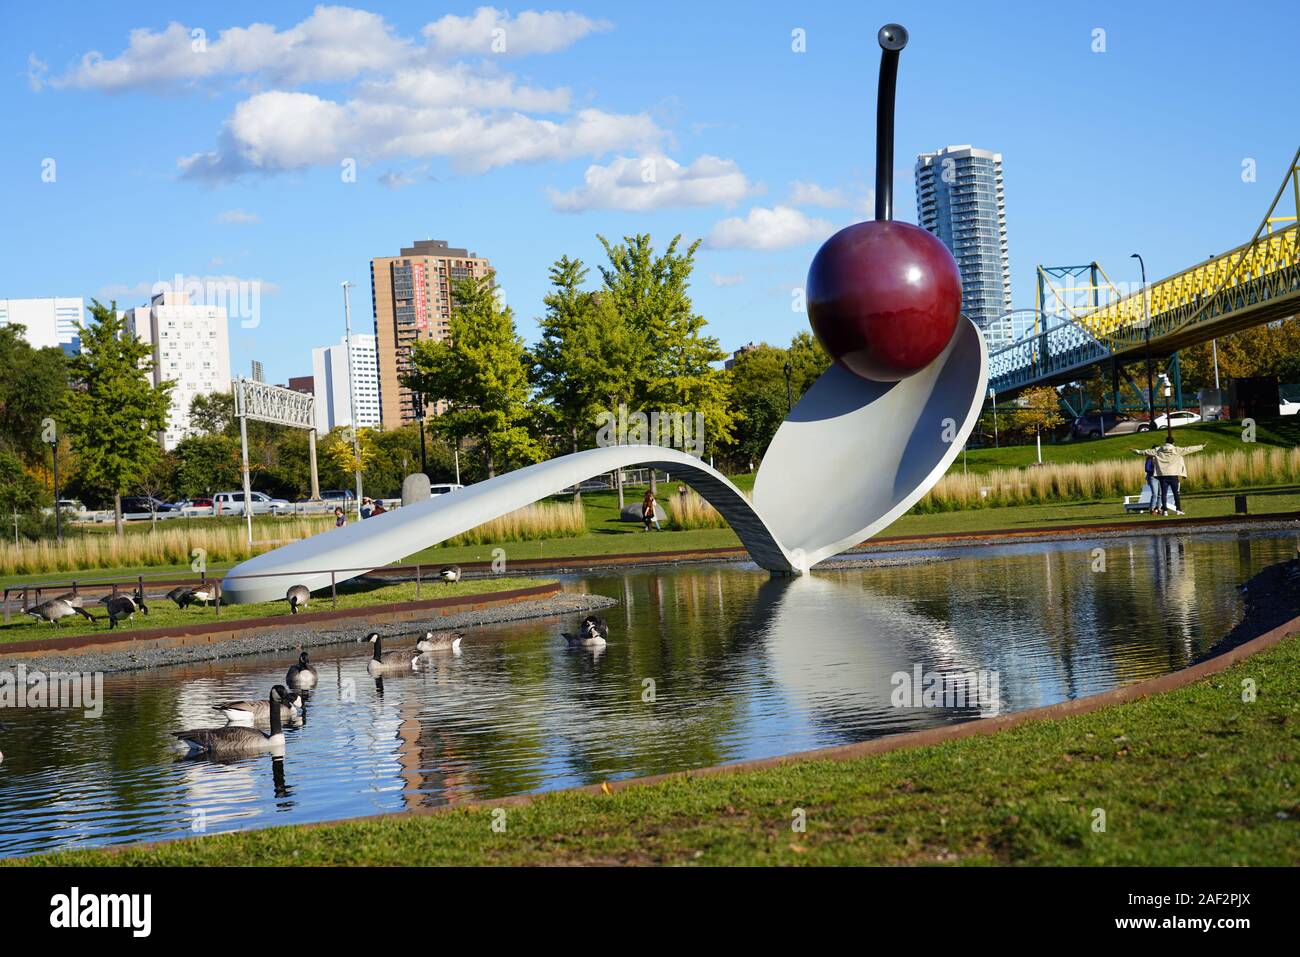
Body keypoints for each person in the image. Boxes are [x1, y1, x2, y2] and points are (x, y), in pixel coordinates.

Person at [1132, 439, 1206, 516]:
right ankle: (1178, 510)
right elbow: (1189, 449)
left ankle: (1165, 511)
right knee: (1176, 493)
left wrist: (1136, 451)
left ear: (1165, 442)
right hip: (1173, 475)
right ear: (1173, 443)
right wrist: (1201, 446)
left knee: (1163, 494)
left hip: (1162, 476)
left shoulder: (1158, 450)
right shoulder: (1176, 449)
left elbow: (1145, 452)